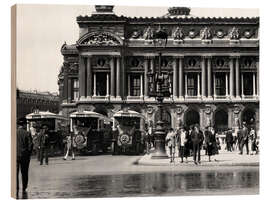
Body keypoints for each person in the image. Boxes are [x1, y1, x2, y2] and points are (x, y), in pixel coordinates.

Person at [16, 118, 33, 194]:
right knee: (24, 172)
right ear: (24, 125)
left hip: (14, 156)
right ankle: (24, 187)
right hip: (24, 156)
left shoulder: (13, 133)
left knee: (15, 173)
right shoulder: (27, 133)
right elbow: (30, 145)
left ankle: (16, 187)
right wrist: (28, 154)